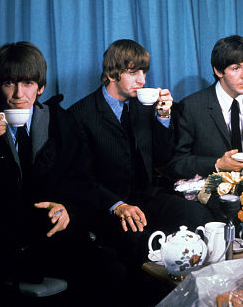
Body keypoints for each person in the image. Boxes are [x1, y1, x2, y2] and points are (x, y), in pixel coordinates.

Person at [0, 42, 106, 305]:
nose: (18, 94)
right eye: (9, 83)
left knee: (107, 270)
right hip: (1, 242)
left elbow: (85, 180)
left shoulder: (62, 122)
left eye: (27, 83)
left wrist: (69, 208)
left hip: (55, 237)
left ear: (41, 87)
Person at [68, 39, 215, 270]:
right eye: (133, 72)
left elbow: (163, 159)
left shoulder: (143, 105)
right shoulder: (80, 114)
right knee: (147, 246)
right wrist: (117, 205)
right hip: (108, 207)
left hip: (147, 196)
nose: (142, 80)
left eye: (144, 72)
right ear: (111, 73)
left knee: (200, 217)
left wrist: (163, 117)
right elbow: (80, 178)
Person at [167, 35, 243, 180]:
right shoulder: (192, 106)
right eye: (236, 68)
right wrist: (218, 164)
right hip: (211, 189)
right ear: (219, 71)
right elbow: (177, 164)